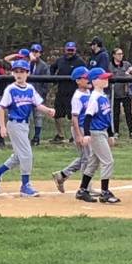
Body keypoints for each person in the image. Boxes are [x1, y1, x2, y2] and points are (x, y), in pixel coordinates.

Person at [0, 60, 55, 197]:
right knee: (27, 155)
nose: (19, 74)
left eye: (22, 72)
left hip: (24, 125)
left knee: (19, 156)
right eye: (16, 72)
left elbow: (37, 104)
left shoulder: (30, 88)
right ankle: (25, 185)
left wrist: (48, 110)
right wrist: (2, 126)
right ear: (12, 73)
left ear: (27, 73)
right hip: (15, 124)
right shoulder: (11, 89)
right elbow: (1, 108)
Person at [76, 67, 120, 204]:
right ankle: (105, 193)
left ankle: (82, 190)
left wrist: (111, 134)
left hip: (102, 131)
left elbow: (107, 117)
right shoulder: (94, 98)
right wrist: (87, 134)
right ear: (95, 81)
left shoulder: (103, 96)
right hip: (96, 133)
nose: (106, 80)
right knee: (108, 161)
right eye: (103, 78)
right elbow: (87, 117)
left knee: (94, 162)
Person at [52, 66, 95, 194]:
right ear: (78, 81)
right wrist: (78, 135)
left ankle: (62, 175)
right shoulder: (77, 97)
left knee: (86, 157)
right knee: (88, 158)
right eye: (85, 77)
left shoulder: (88, 93)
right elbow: (74, 118)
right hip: (80, 128)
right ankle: (86, 187)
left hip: (87, 128)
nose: (89, 79)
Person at [49, 41, 86, 143]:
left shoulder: (80, 62)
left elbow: (85, 73)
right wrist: (53, 79)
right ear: (65, 50)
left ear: (75, 50)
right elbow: (52, 67)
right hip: (61, 90)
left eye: (72, 50)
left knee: (73, 115)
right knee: (58, 114)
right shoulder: (60, 60)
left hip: (73, 92)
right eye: (68, 50)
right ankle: (60, 135)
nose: (70, 52)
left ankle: (73, 135)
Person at [108, 48, 132, 139]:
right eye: (118, 54)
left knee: (128, 113)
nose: (120, 56)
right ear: (113, 55)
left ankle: (131, 132)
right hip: (115, 93)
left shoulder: (127, 65)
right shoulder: (109, 66)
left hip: (125, 93)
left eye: (121, 54)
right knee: (116, 113)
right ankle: (116, 132)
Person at [28, 43, 50, 145]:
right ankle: (26, 137)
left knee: (38, 116)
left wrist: (42, 94)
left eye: (36, 52)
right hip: (27, 94)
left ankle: (36, 137)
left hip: (38, 93)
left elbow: (46, 82)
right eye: (33, 51)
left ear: (40, 53)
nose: (34, 53)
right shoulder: (26, 63)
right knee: (28, 116)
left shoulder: (44, 65)